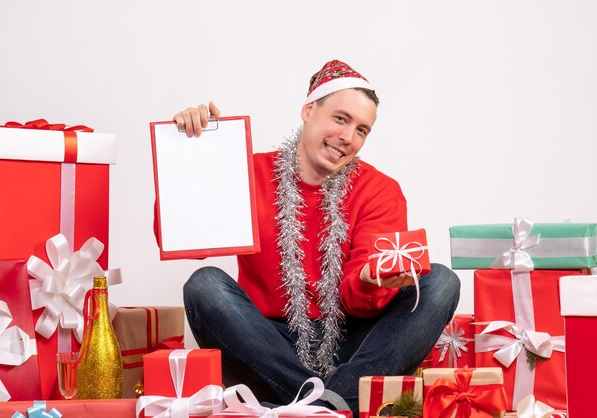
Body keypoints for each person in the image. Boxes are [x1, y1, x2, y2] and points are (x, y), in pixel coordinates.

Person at [176, 60, 460, 416]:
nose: (349, 138)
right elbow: (182, 232)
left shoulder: (380, 191)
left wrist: (371, 280)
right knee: (204, 286)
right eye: (341, 119)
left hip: (353, 349)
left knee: (441, 282)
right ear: (309, 110)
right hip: (267, 345)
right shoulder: (248, 174)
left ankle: (314, 407)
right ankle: (334, 407)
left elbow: (357, 302)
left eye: (362, 130)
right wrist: (193, 152)